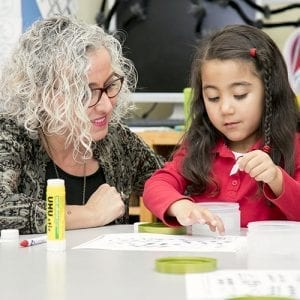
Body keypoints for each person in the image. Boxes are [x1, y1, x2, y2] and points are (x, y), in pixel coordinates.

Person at [0, 15, 163, 234]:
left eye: (110, 85)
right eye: (86, 93)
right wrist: (90, 214)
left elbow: (171, 180)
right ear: (41, 95)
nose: (106, 106)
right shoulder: (10, 136)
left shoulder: (117, 141)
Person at [143, 24, 300, 234]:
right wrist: (180, 205)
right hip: (208, 262)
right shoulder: (199, 147)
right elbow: (156, 185)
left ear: (270, 92)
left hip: (265, 263)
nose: (225, 108)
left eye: (240, 94)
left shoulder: (293, 147)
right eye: (213, 98)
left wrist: (277, 179)